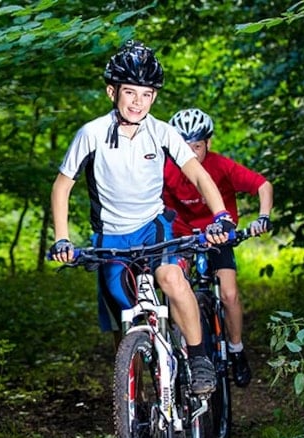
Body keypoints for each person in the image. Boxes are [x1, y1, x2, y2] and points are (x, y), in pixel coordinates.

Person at [48, 40, 236, 395]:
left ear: (154, 98)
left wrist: (221, 216)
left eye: (147, 94)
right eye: (130, 92)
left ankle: (198, 360)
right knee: (124, 315)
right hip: (111, 238)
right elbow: (62, 187)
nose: (138, 101)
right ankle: (134, 403)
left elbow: (198, 174)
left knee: (171, 278)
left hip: (154, 229)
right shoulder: (91, 134)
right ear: (112, 92)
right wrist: (62, 238)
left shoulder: (162, 132)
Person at [163, 108, 274, 388]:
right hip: (183, 239)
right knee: (175, 290)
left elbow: (263, 185)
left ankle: (236, 350)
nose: (191, 153)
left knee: (229, 293)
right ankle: (185, 352)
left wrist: (263, 217)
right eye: (184, 146)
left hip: (219, 238)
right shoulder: (167, 169)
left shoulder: (220, 165)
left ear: (208, 143)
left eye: (197, 146)